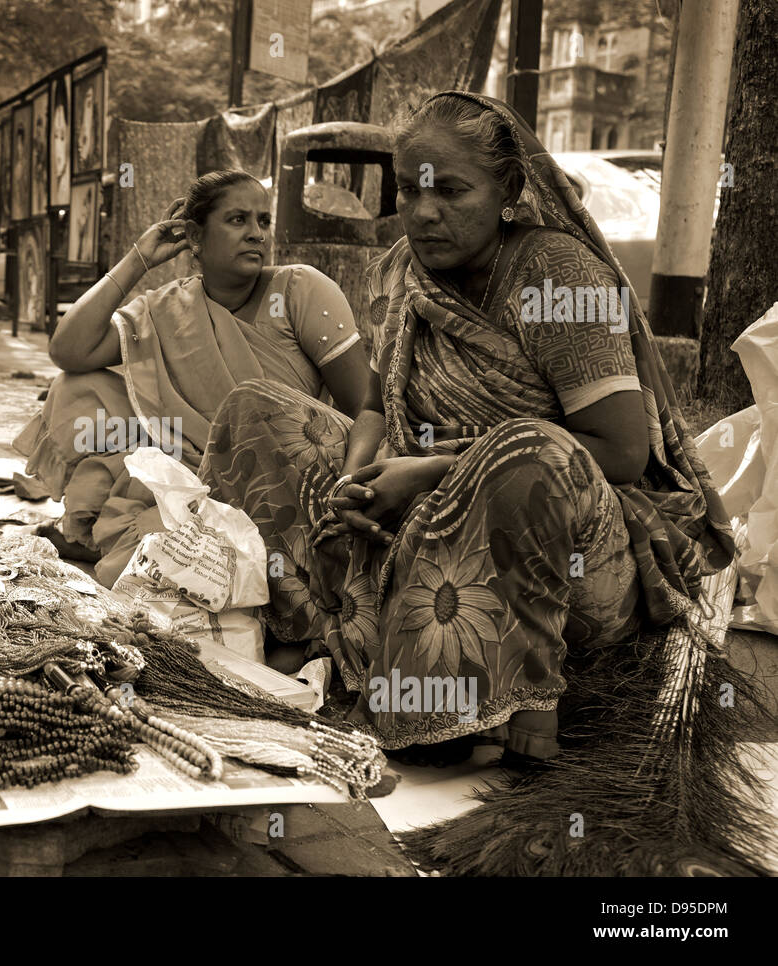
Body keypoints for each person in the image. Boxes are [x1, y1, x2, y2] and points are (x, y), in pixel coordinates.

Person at [198, 92, 734, 761]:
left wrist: (428, 472)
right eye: (408, 190)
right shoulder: (400, 269)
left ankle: (485, 707)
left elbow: (621, 452)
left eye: (451, 191)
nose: (424, 213)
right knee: (257, 410)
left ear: (509, 191)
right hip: (415, 506)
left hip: (563, 543)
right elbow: (372, 401)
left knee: (526, 454)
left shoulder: (557, 275)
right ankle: (314, 634)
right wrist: (356, 476)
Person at [14, 169, 371, 585]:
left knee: (157, 566)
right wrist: (138, 261)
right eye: (237, 220)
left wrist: (352, 489)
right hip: (191, 474)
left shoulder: (299, 290)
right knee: (76, 387)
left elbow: (363, 407)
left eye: (263, 221)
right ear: (194, 237)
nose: (257, 233)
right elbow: (68, 350)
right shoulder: (170, 307)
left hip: (281, 477)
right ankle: (100, 525)